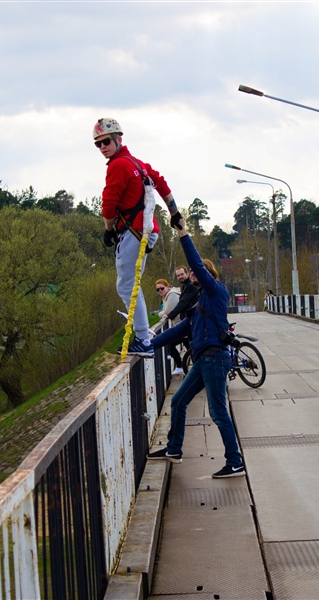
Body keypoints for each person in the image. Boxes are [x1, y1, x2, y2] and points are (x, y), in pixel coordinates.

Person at [145, 215, 245, 479]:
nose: (190, 275)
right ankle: (174, 450)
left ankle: (235, 462)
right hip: (203, 360)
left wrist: (183, 235)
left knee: (218, 412)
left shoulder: (216, 292)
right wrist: (148, 345)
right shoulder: (199, 304)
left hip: (215, 359)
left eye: (194, 273)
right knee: (178, 402)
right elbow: (180, 330)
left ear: (208, 275)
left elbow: (197, 266)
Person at [93, 118, 181, 356]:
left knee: (126, 285)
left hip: (133, 232)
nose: (102, 147)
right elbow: (161, 184)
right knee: (132, 285)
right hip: (147, 230)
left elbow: (109, 204)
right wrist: (175, 213)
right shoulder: (138, 163)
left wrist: (108, 230)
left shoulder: (117, 166)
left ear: (119, 139)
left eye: (106, 141)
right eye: (98, 144)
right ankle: (144, 336)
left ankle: (143, 340)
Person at [155, 278, 184, 375]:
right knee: (190, 348)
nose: (160, 291)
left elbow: (167, 311)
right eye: (158, 289)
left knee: (170, 344)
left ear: (168, 287)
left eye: (162, 288)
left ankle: (180, 366)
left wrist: (160, 314)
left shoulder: (172, 295)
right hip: (179, 325)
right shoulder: (167, 296)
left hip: (181, 325)